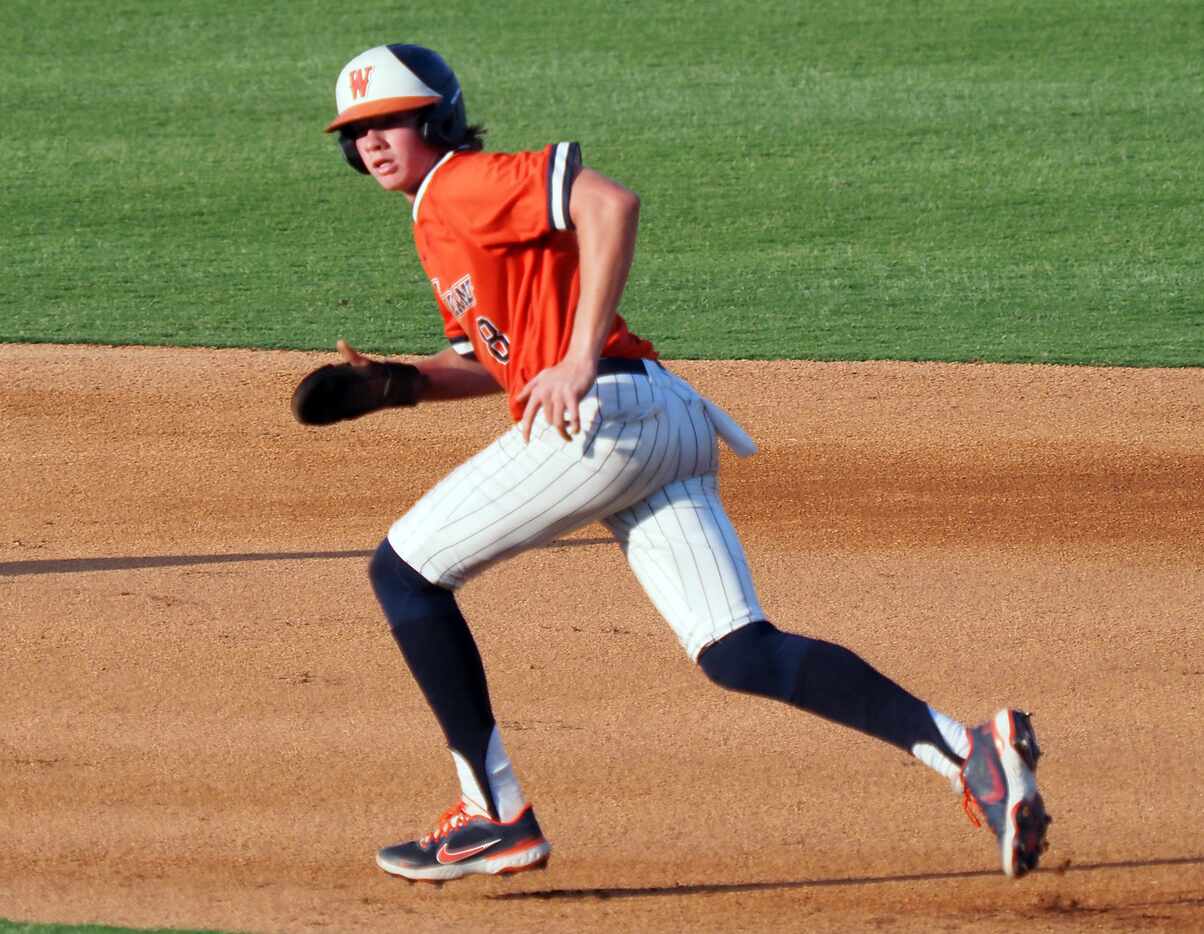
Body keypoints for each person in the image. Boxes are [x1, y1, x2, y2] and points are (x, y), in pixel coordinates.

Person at [308, 43, 1050, 883]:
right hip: (662, 419)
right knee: (738, 653)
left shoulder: (463, 184)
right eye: (358, 130)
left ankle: (493, 814)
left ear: (436, 117)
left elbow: (609, 205)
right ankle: (973, 757)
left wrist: (581, 355)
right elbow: (497, 362)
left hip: (606, 420)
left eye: (390, 121)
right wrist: (396, 385)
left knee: (404, 573)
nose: (372, 142)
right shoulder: (437, 218)